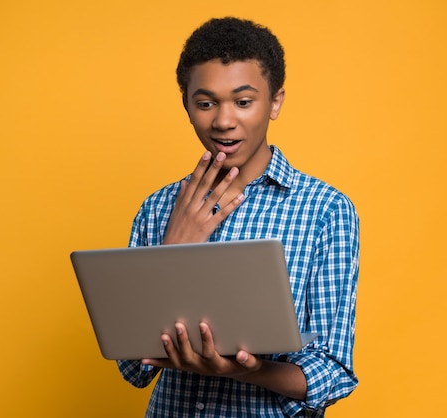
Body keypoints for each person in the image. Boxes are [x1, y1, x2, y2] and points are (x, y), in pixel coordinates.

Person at [117, 17, 359, 417]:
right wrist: (174, 249)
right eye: (206, 102)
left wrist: (248, 370)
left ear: (275, 102)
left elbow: (331, 373)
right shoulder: (159, 208)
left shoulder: (325, 210)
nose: (223, 121)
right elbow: (133, 368)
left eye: (243, 102)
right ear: (187, 105)